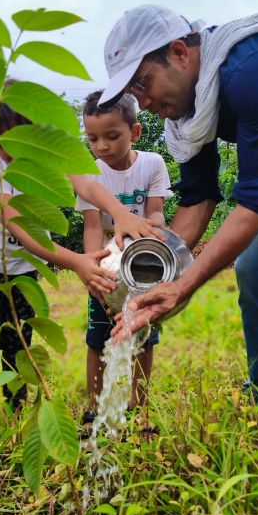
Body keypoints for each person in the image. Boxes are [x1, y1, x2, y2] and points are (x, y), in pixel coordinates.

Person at [102, 5, 258, 408]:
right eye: (132, 93)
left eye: (144, 83)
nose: (142, 101)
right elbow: (198, 197)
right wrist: (149, 269)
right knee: (252, 268)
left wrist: (183, 287)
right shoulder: (191, 110)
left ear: (178, 52)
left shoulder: (253, 66)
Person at [0, 82, 164, 431]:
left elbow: (87, 184)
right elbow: (22, 228)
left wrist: (123, 214)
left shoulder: (43, 162)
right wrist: (76, 261)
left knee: (20, 346)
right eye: (0, 139)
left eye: (19, 136)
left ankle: (15, 411)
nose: (10, 148)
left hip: (25, 273)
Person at [76, 90, 172, 433]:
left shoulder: (152, 164)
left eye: (111, 136)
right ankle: (93, 408)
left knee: (143, 339)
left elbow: (156, 213)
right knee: (97, 339)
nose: (101, 146)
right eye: (92, 138)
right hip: (107, 270)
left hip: (144, 268)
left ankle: (140, 407)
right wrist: (93, 274)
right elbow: (91, 228)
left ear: (134, 132)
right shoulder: (90, 173)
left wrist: (148, 235)